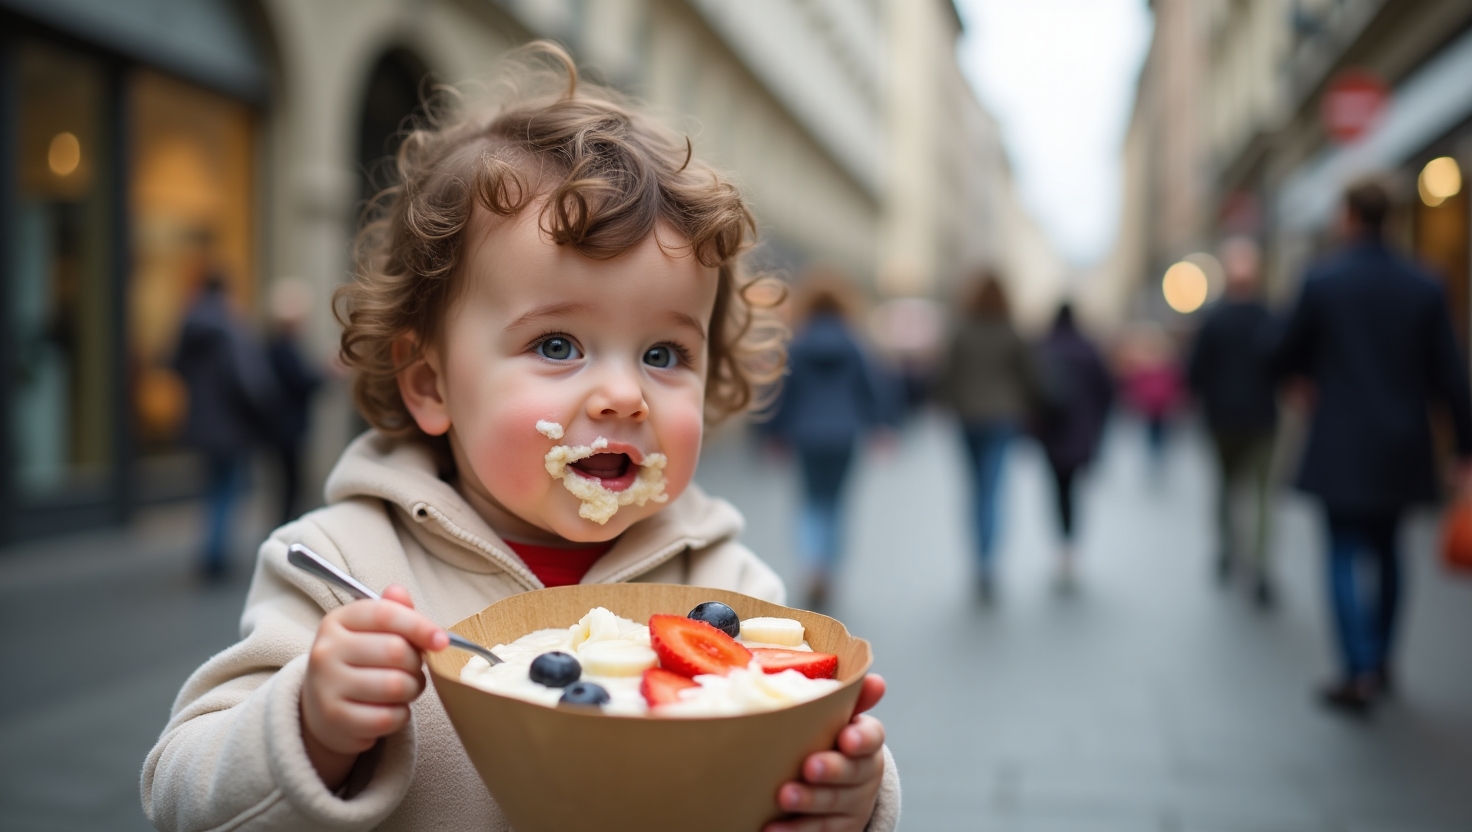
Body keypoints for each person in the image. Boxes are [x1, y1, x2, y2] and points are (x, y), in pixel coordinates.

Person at [141, 43, 898, 832]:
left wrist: (848, 797)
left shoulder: (726, 584)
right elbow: (180, 792)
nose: (622, 394)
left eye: (664, 354)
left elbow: (800, 763)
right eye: (557, 345)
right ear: (431, 384)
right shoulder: (344, 568)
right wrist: (308, 723)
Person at [1268, 180, 1472, 714]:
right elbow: (1452, 373)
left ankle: (1356, 666)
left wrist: (1303, 377)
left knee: (1341, 550)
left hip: (1340, 438)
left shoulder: (1323, 281)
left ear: (1349, 217)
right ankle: (1381, 660)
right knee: (1389, 552)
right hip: (1404, 440)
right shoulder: (1425, 284)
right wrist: (1465, 447)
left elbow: (1283, 351)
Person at [762, 268, 889, 609]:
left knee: (810, 500)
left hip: (805, 434)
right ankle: (828, 568)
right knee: (837, 502)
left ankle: (812, 563)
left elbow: (781, 393)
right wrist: (881, 425)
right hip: (846, 433)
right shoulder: (854, 343)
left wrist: (772, 433)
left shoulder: (797, 344)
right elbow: (871, 388)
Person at [1186, 236, 1279, 604]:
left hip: (1221, 417)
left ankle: (1228, 552)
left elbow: (1194, 373)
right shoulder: (1269, 317)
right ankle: (1260, 564)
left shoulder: (1213, 319)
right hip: (1260, 417)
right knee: (1261, 495)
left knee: (1225, 489)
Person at [172, 270, 279, 579]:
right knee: (228, 488)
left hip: (201, 424)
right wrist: (263, 409)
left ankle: (210, 551)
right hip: (232, 426)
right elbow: (246, 380)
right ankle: (216, 556)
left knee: (212, 487)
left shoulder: (189, 325)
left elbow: (175, 366)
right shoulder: (231, 327)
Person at [936, 272, 1035, 597]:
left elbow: (946, 375)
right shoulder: (1011, 332)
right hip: (1002, 418)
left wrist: (949, 405)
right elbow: (1029, 376)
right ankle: (988, 562)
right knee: (993, 490)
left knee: (975, 490)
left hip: (968, 417)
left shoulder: (963, 331)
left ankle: (978, 558)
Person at [1032, 303, 1114, 585]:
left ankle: (1063, 546)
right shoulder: (1088, 349)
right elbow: (1107, 392)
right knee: (1074, 490)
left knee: (1057, 489)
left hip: (1052, 434)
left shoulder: (1044, 348)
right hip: (1081, 432)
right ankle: (1071, 545)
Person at [265, 278, 325, 526]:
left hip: (287, 425)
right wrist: (323, 374)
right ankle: (287, 527)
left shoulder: (284, 346)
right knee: (290, 485)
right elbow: (298, 382)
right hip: (287, 426)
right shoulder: (282, 348)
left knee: (291, 485)